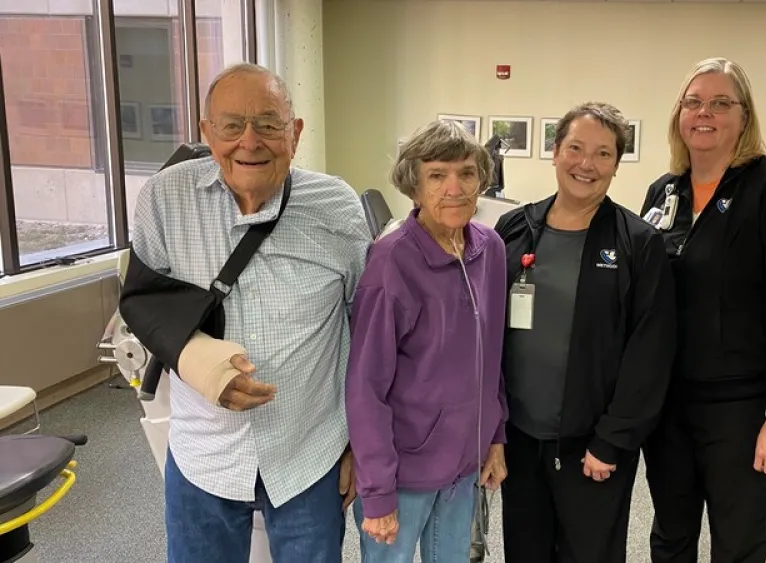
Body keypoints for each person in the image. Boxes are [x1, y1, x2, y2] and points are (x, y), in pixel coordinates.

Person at [120, 63, 371, 562]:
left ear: (295, 133)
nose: (249, 142)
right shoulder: (164, 200)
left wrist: (362, 445)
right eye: (231, 125)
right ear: (206, 131)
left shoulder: (336, 206)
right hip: (204, 456)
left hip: (309, 454)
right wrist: (203, 367)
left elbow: (366, 333)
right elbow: (144, 304)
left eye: (269, 124)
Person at [640, 57, 766, 563]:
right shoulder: (665, 190)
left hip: (742, 411)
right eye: (694, 101)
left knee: (737, 543)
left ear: (744, 117)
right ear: (679, 114)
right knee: (670, 535)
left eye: (721, 103)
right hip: (669, 407)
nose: (706, 113)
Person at [494, 102, 676, 563]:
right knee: (524, 551)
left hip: (592, 447)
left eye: (602, 153)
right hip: (520, 438)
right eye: (575, 148)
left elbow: (649, 353)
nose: (586, 164)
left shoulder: (636, 244)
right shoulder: (514, 230)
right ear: (555, 153)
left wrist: (612, 441)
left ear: (616, 164)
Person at [345, 119, 509, 562]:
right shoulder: (391, 261)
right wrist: (377, 492)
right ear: (414, 185)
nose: (454, 188)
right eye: (437, 175)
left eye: (467, 173)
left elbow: (491, 355)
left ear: (482, 180)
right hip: (403, 471)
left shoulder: (490, 249)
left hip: (463, 465)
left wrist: (494, 436)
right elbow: (365, 385)